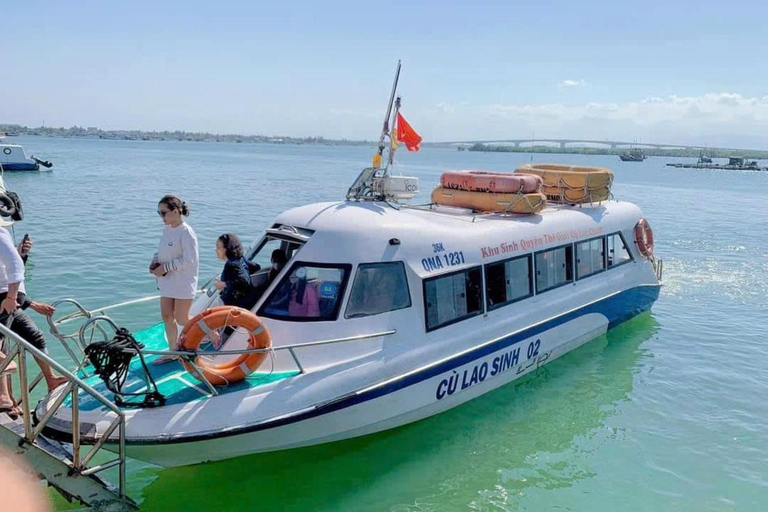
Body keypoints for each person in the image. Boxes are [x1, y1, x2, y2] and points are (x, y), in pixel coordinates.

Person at [0, 221, 66, 418]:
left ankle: (50, 379)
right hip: (7, 297)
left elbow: (14, 266)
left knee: (32, 337)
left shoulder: (2, 233)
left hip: (7, 297)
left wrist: (13, 298)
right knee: (4, 345)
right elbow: (13, 265)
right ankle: (5, 398)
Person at [150, 195, 199, 364]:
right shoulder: (167, 229)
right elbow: (162, 250)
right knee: (166, 315)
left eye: (163, 213)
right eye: (159, 213)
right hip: (167, 281)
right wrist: (155, 262)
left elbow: (189, 260)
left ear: (176, 211)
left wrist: (165, 267)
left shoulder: (186, 232)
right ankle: (173, 351)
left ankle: (210, 332)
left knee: (182, 318)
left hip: (182, 281)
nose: (161, 217)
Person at [214, 234, 252, 309]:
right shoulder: (240, 259)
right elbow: (256, 267)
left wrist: (224, 284)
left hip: (234, 307)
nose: (216, 250)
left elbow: (244, 281)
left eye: (218, 247)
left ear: (226, 249)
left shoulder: (231, 264)